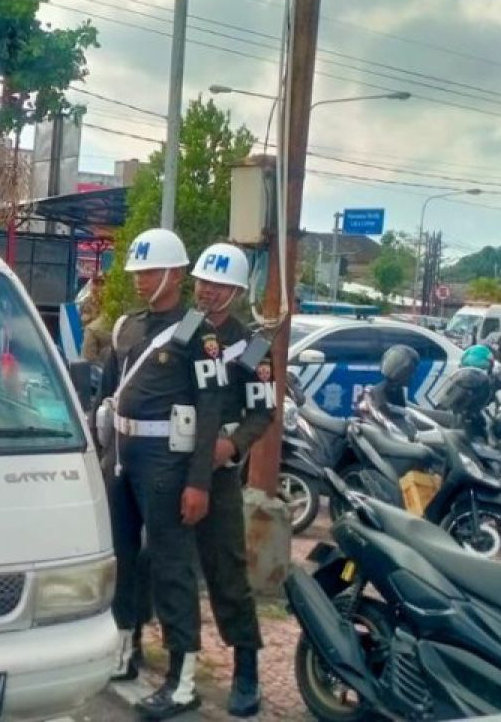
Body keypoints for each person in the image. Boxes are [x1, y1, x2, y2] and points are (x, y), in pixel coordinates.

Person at [91, 227, 220, 720]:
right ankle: (126, 650)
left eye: (149, 271)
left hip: (168, 462)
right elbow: (105, 392)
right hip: (122, 457)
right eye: (138, 272)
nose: (141, 280)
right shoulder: (126, 326)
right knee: (122, 560)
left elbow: (209, 411)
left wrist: (199, 480)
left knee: (171, 568)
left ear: (175, 273)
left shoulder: (196, 332)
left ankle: (183, 680)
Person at [189, 242, 271, 717]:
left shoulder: (253, 345)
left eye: (218, 284)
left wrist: (234, 446)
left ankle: (246, 670)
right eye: (202, 281)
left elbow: (263, 412)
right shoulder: (183, 328)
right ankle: (138, 645)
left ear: (238, 290)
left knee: (226, 570)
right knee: (149, 557)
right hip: (174, 461)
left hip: (218, 470)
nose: (208, 290)